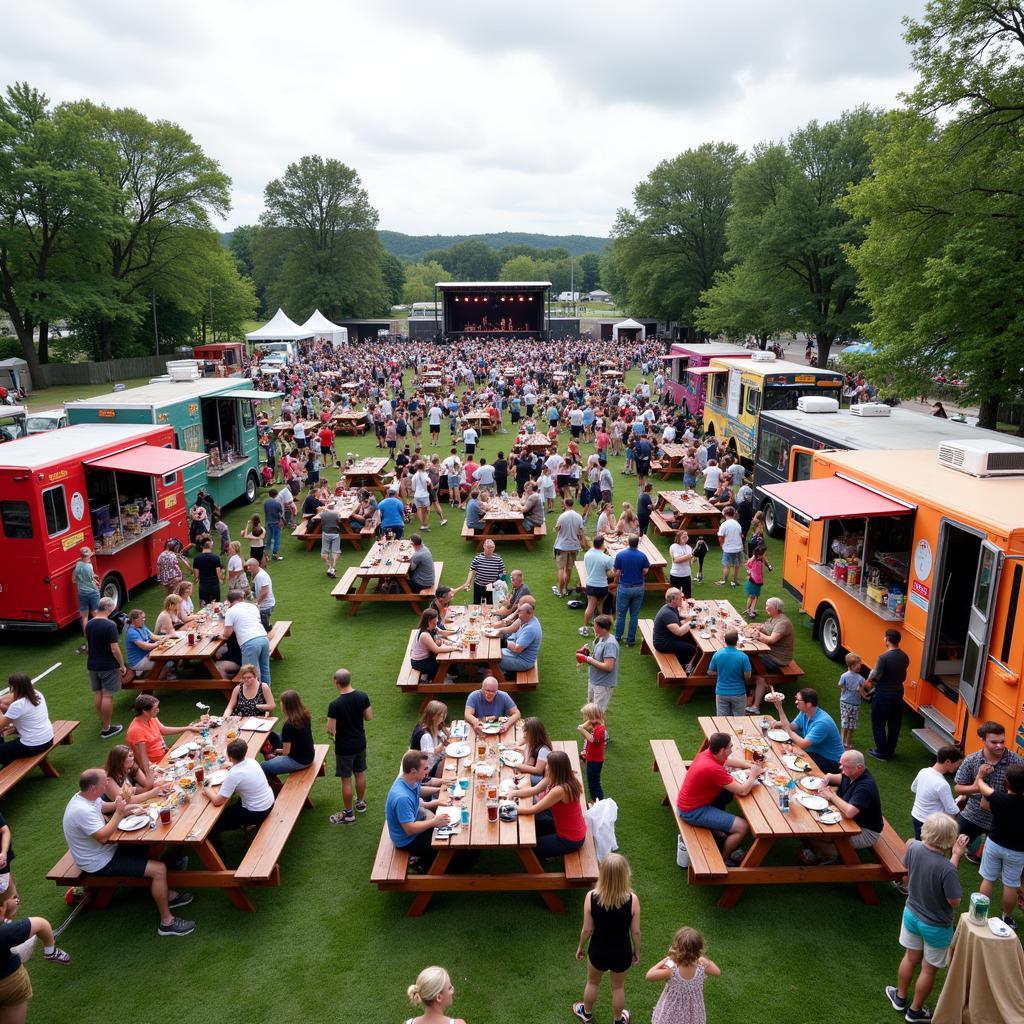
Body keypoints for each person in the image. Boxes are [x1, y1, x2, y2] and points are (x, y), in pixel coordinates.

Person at [62, 768, 196, 935]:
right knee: (159, 870)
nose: (107, 786)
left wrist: (131, 807)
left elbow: (105, 807)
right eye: (104, 784)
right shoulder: (81, 811)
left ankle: (166, 894)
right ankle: (167, 922)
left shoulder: (87, 797)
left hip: (107, 849)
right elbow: (103, 837)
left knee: (150, 844)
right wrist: (119, 812)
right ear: (93, 788)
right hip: (99, 861)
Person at [885, 813, 968, 1022]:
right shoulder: (947, 868)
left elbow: (910, 868)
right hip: (936, 926)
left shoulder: (913, 847)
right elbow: (954, 901)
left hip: (911, 914)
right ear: (950, 839)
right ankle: (915, 1011)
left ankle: (900, 998)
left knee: (910, 957)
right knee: (928, 969)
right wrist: (956, 855)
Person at [573, 853, 640, 1024]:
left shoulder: (591, 897)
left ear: (602, 873)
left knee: (592, 983)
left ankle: (586, 1014)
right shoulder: (632, 900)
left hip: (598, 950)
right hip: (621, 952)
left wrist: (580, 946)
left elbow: (587, 929)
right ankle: (618, 1020)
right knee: (618, 988)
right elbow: (636, 932)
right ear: (625, 874)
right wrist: (636, 951)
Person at [676, 732, 763, 864]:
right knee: (743, 827)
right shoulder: (713, 769)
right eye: (730, 747)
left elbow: (727, 761)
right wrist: (753, 775)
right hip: (691, 811)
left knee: (726, 794)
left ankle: (718, 829)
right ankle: (724, 857)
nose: (732, 749)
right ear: (722, 749)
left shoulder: (708, 754)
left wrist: (749, 766)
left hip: (689, 802)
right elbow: (743, 791)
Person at [954, 721, 1024, 865]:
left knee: (1001, 863)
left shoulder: (1017, 762)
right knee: (952, 845)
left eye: (1002, 741)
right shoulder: (972, 760)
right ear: (983, 740)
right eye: (994, 742)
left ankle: (978, 854)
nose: (1000, 745)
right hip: (973, 814)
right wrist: (977, 787)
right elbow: (959, 788)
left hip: (1002, 820)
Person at [801, 750, 884, 864]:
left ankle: (832, 857)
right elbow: (837, 778)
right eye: (841, 764)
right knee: (811, 824)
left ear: (859, 768)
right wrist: (828, 777)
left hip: (865, 831)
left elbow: (849, 813)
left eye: (845, 766)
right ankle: (818, 850)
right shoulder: (851, 773)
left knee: (816, 832)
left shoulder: (865, 786)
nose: (840, 768)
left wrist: (832, 796)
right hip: (853, 822)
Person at [509, 750, 587, 860]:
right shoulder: (561, 778)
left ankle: (551, 855)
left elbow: (534, 809)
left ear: (555, 769)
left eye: (548, 765)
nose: (546, 767)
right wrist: (513, 793)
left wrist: (514, 809)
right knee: (536, 824)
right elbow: (534, 790)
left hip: (570, 839)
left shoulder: (560, 790)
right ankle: (549, 846)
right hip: (567, 827)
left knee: (530, 848)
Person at [204, 738, 276, 853]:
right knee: (231, 807)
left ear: (230, 756)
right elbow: (239, 771)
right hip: (269, 801)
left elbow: (218, 801)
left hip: (257, 812)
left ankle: (217, 851)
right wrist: (228, 765)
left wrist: (206, 787)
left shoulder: (234, 774)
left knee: (212, 825)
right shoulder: (252, 761)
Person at [975, 763, 1024, 929]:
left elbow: (982, 787)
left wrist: (980, 776)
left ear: (1007, 782)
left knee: (988, 878)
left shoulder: (998, 798)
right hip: (1018, 851)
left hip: (994, 844)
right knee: (1011, 884)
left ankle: (980, 914)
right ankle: (1007, 918)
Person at [0, 912, 71, 1016]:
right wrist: (50, 950)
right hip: (10, 982)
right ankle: (51, 953)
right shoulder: (5, 932)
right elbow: (41, 924)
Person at [646, 926, 721, 1024]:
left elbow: (649, 975)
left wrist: (667, 959)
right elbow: (717, 972)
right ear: (699, 948)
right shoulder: (702, 966)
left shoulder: (671, 970)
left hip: (671, 1013)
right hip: (693, 1013)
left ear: (677, 949)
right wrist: (702, 959)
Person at [327, 668, 372, 825]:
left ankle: (348, 814)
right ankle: (360, 803)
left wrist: (335, 734)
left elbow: (330, 729)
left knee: (346, 780)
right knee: (360, 773)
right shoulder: (362, 696)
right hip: (360, 742)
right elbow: (369, 717)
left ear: (336, 682)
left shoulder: (335, 705)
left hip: (344, 747)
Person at [765, 688, 845, 773]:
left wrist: (787, 729)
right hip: (815, 753)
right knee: (786, 754)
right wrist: (779, 708)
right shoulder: (805, 712)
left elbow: (802, 744)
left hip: (831, 761)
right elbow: (791, 726)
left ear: (809, 704)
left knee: (793, 762)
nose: (796, 702)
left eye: (798, 700)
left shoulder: (822, 723)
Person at [385, 749, 442, 865]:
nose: (428, 771)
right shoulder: (402, 798)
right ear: (413, 771)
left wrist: (440, 790)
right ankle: (424, 866)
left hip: (414, 823)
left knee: (444, 829)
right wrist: (434, 822)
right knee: (443, 843)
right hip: (407, 840)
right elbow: (410, 829)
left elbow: (419, 790)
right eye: (425, 769)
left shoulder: (407, 780)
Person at [85, 596, 128, 739]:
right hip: (107, 665)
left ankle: (104, 721)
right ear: (109, 608)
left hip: (92, 664)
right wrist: (121, 665)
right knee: (107, 695)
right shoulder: (110, 625)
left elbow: (88, 645)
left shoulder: (89, 624)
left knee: (98, 694)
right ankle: (106, 728)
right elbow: (115, 648)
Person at [866, 629, 910, 761]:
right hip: (898, 693)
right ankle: (890, 750)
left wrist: (869, 681)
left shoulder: (883, 658)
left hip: (884, 693)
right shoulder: (904, 656)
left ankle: (881, 752)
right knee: (894, 723)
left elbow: (875, 675)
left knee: (878, 722)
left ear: (887, 639)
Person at [125, 695, 194, 778]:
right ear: (145, 711)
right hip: (158, 765)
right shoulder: (136, 730)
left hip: (168, 756)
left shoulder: (150, 718)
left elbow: (163, 730)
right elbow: (144, 761)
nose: (158, 710)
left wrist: (189, 728)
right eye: (155, 708)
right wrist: (157, 773)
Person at [746, 598, 795, 713]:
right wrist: (757, 628)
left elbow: (771, 640)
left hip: (777, 658)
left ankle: (750, 697)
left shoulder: (783, 623)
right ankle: (750, 689)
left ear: (777, 609)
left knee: (748, 662)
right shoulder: (773, 618)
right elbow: (765, 627)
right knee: (747, 659)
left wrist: (757, 634)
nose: (766, 608)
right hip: (768, 652)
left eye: (769, 606)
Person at [909, 746, 963, 841]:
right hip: (930, 824)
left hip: (915, 816)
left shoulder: (923, 771)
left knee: (919, 842)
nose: (958, 767)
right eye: (958, 763)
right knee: (926, 850)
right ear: (948, 762)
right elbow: (952, 810)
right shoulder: (942, 784)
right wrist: (960, 799)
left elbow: (913, 788)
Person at [0, 674, 53, 766]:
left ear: (13, 688)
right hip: (48, 739)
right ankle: (8, 764)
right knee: (5, 749)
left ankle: (8, 770)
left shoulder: (18, 705)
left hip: (34, 745)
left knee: (3, 750)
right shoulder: (37, 694)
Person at [261, 690, 315, 778]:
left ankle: (276, 788)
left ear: (286, 706)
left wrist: (277, 754)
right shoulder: (305, 715)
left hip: (299, 760)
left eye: (281, 702)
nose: (280, 704)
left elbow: (286, 752)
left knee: (264, 766)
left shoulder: (289, 724)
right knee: (272, 735)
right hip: (308, 754)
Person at [613, 534, 649, 647]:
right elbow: (645, 571)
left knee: (621, 615)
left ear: (628, 542)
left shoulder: (620, 555)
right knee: (634, 615)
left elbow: (617, 573)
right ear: (638, 543)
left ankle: (617, 638)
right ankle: (630, 641)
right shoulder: (642, 556)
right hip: (638, 588)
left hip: (624, 588)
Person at [579, 615, 620, 713]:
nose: (593, 627)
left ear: (603, 629)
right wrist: (587, 653)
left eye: (595, 626)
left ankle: (598, 729)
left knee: (597, 714)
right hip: (594, 680)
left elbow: (609, 666)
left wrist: (588, 659)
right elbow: (598, 657)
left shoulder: (610, 644)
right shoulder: (600, 638)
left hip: (602, 685)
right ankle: (591, 728)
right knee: (591, 711)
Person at [103, 743, 167, 804]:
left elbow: (147, 786)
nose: (133, 758)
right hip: (114, 813)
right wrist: (152, 793)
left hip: (130, 807)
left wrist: (156, 785)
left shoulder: (130, 767)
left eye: (132, 755)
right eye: (130, 756)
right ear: (120, 761)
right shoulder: (108, 779)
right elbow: (127, 801)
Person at [409, 608, 460, 683]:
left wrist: (457, 632)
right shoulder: (424, 634)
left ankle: (435, 676)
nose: (438, 619)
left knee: (448, 661)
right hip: (420, 662)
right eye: (436, 618)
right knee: (445, 664)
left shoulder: (432, 627)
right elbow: (436, 649)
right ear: (430, 620)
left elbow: (443, 633)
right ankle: (440, 680)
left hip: (427, 656)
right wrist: (454, 648)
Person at [708, 630, 751, 717]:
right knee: (740, 720)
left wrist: (720, 673)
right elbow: (748, 676)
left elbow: (710, 672)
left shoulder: (717, 654)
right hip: (739, 693)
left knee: (722, 720)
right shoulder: (743, 656)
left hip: (721, 692)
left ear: (724, 640)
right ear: (737, 641)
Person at [652, 589, 697, 668]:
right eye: (680, 598)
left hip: (668, 637)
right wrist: (691, 622)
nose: (682, 600)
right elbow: (679, 633)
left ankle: (690, 662)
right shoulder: (667, 613)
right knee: (692, 649)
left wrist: (688, 617)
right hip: (663, 644)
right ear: (673, 600)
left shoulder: (670, 607)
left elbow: (676, 617)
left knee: (692, 640)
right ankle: (684, 666)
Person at [455, 538, 505, 605]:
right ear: (484, 547)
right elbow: (472, 570)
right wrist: (467, 582)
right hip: (479, 585)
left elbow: (502, 572)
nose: (490, 549)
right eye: (488, 547)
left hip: (492, 586)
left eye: (492, 547)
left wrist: (500, 583)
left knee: (491, 603)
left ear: (494, 548)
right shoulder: (478, 558)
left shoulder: (498, 559)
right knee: (476, 603)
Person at [553, 497, 586, 599]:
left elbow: (557, 529)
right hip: (574, 546)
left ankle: (560, 590)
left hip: (562, 546)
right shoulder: (578, 517)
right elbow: (581, 532)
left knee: (561, 568)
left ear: (565, 504)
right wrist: (583, 543)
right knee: (569, 568)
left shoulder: (562, 516)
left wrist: (555, 529)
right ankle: (566, 589)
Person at [581, 535, 614, 636]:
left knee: (590, 607)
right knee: (600, 607)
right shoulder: (607, 558)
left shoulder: (587, 555)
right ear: (602, 545)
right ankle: (602, 628)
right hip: (602, 587)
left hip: (591, 585)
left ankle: (585, 628)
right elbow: (611, 573)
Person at [498, 601, 542, 675]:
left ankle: (506, 675)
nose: (518, 615)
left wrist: (502, 642)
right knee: (493, 654)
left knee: (494, 660)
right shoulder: (524, 619)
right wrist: (494, 631)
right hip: (514, 654)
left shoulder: (531, 629)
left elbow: (517, 649)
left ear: (529, 613)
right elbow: (510, 629)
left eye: (520, 612)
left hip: (522, 661)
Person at [837, 652, 869, 749]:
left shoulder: (844, 676)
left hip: (845, 702)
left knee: (845, 722)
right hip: (854, 703)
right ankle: (847, 743)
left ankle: (842, 742)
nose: (860, 665)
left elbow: (840, 685)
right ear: (851, 665)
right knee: (851, 723)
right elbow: (867, 686)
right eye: (858, 664)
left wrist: (846, 687)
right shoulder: (860, 678)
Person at [72, 546, 101, 653]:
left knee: (84, 618)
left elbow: (74, 580)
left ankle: (88, 641)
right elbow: (91, 580)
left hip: (82, 593)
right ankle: (99, 636)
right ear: (88, 555)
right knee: (96, 614)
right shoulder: (89, 566)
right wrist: (97, 584)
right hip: (92, 593)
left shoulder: (78, 565)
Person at [411, 700, 449, 778]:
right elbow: (429, 761)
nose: (444, 717)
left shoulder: (430, 724)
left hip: (433, 761)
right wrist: (440, 750)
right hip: (426, 772)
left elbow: (441, 734)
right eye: (442, 715)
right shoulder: (425, 736)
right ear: (434, 717)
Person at [578, 702, 607, 803]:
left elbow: (593, 740)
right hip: (592, 758)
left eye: (588, 717)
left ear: (594, 717)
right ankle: (596, 801)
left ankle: (598, 802)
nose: (587, 719)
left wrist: (582, 730)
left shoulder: (599, 729)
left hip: (594, 761)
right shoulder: (598, 724)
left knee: (593, 783)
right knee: (593, 781)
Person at [124, 609, 161, 678]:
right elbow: (144, 646)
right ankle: (157, 681)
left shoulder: (142, 626)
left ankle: (157, 676)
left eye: (144, 618)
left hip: (147, 655)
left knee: (165, 659)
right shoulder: (132, 632)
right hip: (138, 661)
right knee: (164, 662)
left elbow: (153, 636)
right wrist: (157, 644)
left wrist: (167, 637)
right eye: (142, 618)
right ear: (134, 620)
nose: (144, 620)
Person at [715, 506, 744, 586]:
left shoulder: (724, 525)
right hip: (738, 548)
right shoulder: (737, 524)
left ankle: (724, 580)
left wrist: (721, 545)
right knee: (736, 565)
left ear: (724, 514)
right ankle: (734, 581)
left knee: (726, 565)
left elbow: (720, 537)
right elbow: (740, 535)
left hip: (728, 548)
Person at [191, 537, 224, 605]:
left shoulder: (197, 558)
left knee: (204, 605)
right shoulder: (216, 558)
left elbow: (196, 575)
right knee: (216, 605)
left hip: (203, 585)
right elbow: (218, 573)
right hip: (214, 585)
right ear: (210, 545)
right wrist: (222, 578)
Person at [246, 559, 275, 631]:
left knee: (264, 629)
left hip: (265, 606)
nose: (248, 568)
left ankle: (268, 637)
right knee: (264, 624)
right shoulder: (258, 573)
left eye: (250, 566)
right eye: (248, 566)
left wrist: (256, 603)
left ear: (256, 566)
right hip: (266, 604)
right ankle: (268, 627)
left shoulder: (260, 576)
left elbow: (265, 592)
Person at [743, 545, 770, 618]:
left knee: (756, 596)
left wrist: (769, 567)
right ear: (761, 554)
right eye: (764, 554)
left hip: (758, 581)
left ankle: (752, 610)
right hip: (753, 581)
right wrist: (749, 571)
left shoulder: (761, 559)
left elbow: (765, 561)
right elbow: (747, 564)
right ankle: (749, 611)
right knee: (752, 596)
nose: (765, 555)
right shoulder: (753, 560)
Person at [668, 530, 693, 598]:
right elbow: (676, 560)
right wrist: (689, 556)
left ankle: (687, 608)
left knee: (688, 596)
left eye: (686, 535)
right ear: (679, 537)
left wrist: (690, 573)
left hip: (686, 575)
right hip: (676, 575)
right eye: (683, 535)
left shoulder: (688, 547)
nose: (685, 536)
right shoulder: (674, 546)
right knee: (674, 596)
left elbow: (689, 562)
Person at [264, 489, 285, 560]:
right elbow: (281, 513)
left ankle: (265, 556)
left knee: (268, 539)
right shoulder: (277, 503)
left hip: (267, 523)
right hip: (275, 523)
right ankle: (275, 555)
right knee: (276, 539)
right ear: (276, 494)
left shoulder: (266, 503)